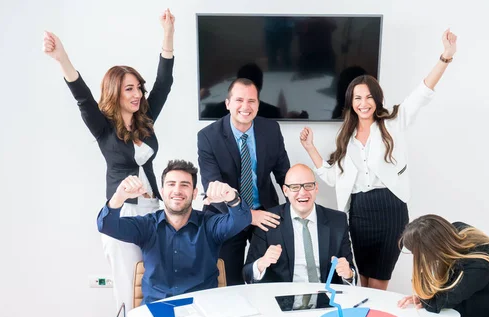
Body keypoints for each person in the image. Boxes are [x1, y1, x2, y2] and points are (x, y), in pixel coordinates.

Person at [299, 29, 458, 290]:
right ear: (351, 102)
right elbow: (331, 176)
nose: (364, 103)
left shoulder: (393, 122)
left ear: (377, 99)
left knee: (380, 279)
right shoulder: (346, 136)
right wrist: (310, 148)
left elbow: (422, 92)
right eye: (358, 98)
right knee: (361, 277)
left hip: (390, 209)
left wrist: (445, 57)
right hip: (359, 213)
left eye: (369, 97)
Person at [42, 9, 175, 313]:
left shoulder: (146, 120)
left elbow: (164, 83)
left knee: (155, 280)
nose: (138, 93)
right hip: (122, 215)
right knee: (127, 288)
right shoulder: (103, 127)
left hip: (153, 210)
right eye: (130, 88)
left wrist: (168, 35)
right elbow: (82, 96)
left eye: (139, 87)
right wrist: (62, 58)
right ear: (116, 91)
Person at [97, 160, 252, 304]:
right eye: (171, 184)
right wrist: (119, 197)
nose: (177, 190)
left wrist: (231, 197)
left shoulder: (209, 224)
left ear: (194, 192)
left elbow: (242, 220)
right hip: (158, 310)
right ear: (163, 191)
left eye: (184, 185)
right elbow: (106, 225)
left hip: (201, 309)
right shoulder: (147, 225)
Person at [197, 77, 291, 286]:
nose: (245, 107)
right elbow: (214, 189)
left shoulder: (271, 130)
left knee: (273, 275)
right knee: (229, 281)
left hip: (265, 210)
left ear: (258, 104)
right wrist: (247, 216)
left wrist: (297, 209)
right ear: (228, 103)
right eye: (239, 100)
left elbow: (284, 175)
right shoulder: (208, 137)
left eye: (252, 101)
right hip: (226, 214)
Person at [397, 215, 489, 317]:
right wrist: (425, 297)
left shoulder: (478, 267)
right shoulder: (457, 231)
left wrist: (423, 279)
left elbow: (435, 303)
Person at [243, 164, 357, 290]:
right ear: (285, 191)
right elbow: (247, 274)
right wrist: (261, 263)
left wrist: (348, 274)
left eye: (308, 186)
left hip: (327, 296)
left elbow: (350, 272)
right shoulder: (268, 220)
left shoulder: (337, 221)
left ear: (316, 188)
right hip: (283, 298)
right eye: (295, 187)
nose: (302, 192)